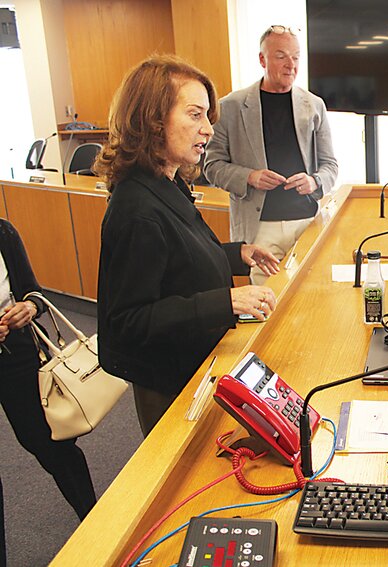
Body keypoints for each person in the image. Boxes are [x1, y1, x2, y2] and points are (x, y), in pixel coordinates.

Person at [94, 55, 281, 436]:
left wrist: (236, 253)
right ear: (153, 119)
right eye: (195, 115)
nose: (209, 130)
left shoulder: (166, 183)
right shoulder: (136, 208)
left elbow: (176, 260)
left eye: (208, 117)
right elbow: (129, 321)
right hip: (170, 381)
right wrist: (226, 301)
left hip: (198, 360)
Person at [205, 25, 338, 284]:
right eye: (281, 56)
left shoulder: (314, 105)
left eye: (296, 57)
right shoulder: (229, 107)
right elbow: (212, 166)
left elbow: (330, 165)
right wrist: (249, 176)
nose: (291, 65)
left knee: (311, 298)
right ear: (262, 59)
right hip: (259, 228)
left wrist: (314, 181)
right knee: (268, 304)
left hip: (307, 222)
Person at [0, 219, 96, 520]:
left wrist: (28, 308)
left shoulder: (3, 232)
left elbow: (34, 294)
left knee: (50, 442)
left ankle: (94, 522)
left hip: (15, 350)